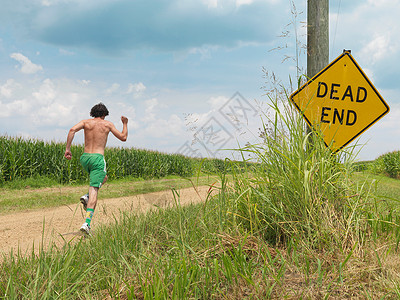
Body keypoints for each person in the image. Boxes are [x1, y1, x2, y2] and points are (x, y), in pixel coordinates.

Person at [64, 103, 128, 235]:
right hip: (98, 159)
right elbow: (123, 137)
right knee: (94, 188)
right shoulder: (107, 124)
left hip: (85, 158)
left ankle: (87, 197)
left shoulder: (85, 122)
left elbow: (72, 130)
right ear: (104, 114)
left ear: (92, 113)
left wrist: (68, 149)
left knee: (103, 178)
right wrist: (125, 123)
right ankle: (87, 223)